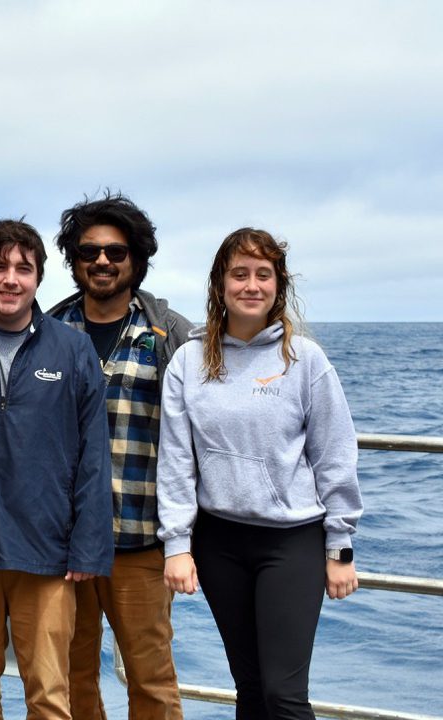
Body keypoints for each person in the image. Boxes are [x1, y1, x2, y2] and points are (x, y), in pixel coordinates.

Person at [158, 228, 363, 719]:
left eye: (263, 275)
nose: (251, 285)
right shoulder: (189, 360)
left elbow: (335, 455)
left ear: (279, 286)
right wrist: (177, 545)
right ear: (219, 285)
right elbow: (176, 461)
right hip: (219, 540)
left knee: (282, 694)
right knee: (248, 688)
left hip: (290, 541)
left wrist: (340, 548)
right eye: (239, 274)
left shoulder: (304, 359)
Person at [0, 219, 113, 719]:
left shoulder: (72, 349)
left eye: (23, 269)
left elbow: (93, 454)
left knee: (49, 694)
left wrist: (88, 544)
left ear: (39, 279)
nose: (10, 279)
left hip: (48, 554)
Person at [47, 192, 191, 719]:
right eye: (89, 252)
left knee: (150, 679)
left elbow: (196, 432)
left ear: (137, 258)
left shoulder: (168, 333)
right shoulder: (52, 329)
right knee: (71, 677)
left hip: (141, 541)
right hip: (66, 546)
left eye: (116, 251)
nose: (102, 261)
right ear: (74, 259)